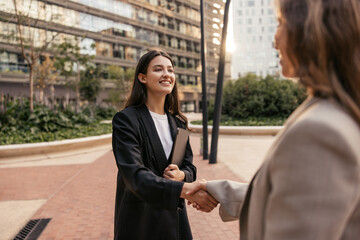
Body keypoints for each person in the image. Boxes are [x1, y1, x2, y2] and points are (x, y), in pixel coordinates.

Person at [187, 0, 360, 239]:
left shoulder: (320, 131)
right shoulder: (336, 113)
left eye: (280, 23)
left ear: (311, 32)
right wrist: (221, 190)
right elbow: (294, 193)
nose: (274, 40)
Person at [112, 49, 218, 240]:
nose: (166, 74)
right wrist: (186, 191)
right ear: (142, 78)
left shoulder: (179, 123)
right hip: (140, 223)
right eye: (158, 69)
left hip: (175, 223)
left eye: (170, 70)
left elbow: (190, 167)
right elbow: (135, 176)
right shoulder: (126, 120)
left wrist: (182, 175)